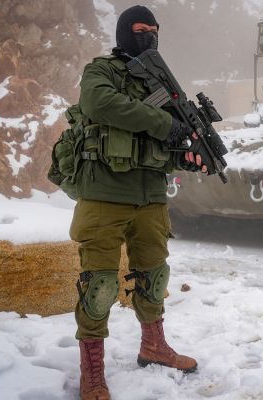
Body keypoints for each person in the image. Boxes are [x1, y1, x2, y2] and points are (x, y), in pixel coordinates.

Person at [71, 5, 207, 400]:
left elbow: (164, 143)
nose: (149, 35)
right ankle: (91, 371)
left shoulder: (162, 82)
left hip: (150, 196)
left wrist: (188, 155)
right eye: (140, 29)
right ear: (124, 34)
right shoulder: (102, 71)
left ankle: (153, 345)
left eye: (154, 30)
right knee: (98, 285)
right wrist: (167, 123)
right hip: (105, 195)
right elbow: (100, 105)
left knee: (154, 277)